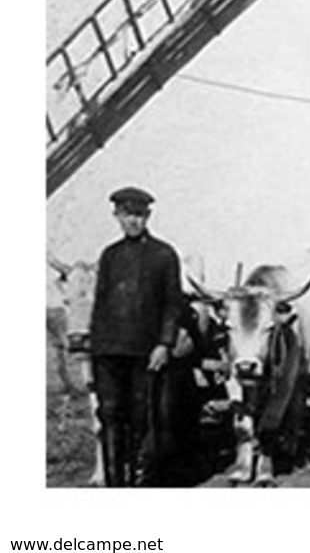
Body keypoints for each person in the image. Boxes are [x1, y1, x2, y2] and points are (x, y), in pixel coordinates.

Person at [89, 187, 183, 487]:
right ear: (116, 216)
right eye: (127, 215)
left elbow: (172, 303)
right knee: (110, 415)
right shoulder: (109, 255)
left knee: (143, 417)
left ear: (148, 216)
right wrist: (95, 350)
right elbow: (100, 305)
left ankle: (142, 482)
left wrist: (164, 343)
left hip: (145, 352)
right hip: (108, 352)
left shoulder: (164, 255)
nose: (133, 221)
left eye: (139, 215)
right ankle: (116, 483)